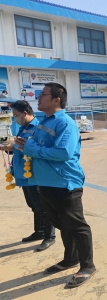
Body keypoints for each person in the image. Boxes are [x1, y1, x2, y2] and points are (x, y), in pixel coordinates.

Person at [15, 82, 96, 288]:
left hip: (64, 184)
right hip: (45, 183)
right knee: (63, 225)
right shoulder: (44, 121)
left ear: (56, 99)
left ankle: (87, 265)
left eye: (43, 95)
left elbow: (64, 153)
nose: (38, 98)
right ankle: (70, 259)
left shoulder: (65, 123)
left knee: (77, 227)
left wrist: (33, 150)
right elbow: (33, 146)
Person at [0, 101, 56, 251]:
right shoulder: (22, 128)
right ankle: (38, 231)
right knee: (33, 205)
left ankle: (49, 236)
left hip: (34, 174)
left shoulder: (38, 128)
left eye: (16, 116)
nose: (15, 119)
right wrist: (8, 148)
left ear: (25, 113)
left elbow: (35, 148)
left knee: (43, 206)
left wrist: (14, 147)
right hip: (22, 174)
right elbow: (19, 148)